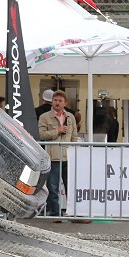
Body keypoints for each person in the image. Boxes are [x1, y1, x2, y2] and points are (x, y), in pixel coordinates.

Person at [38, 89, 78, 218]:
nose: (57, 103)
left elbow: (74, 136)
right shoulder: (44, 117)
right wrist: (57, 130)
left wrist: (73, 151)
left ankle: (72, 213)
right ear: (52, 102)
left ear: (65, 103)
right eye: (55, 100)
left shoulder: (70, 117)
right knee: (53, 187)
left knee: (70, 187)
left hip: (68, 157)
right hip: (53, 157)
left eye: (60, 101)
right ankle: (55, 213)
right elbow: (42, 135)